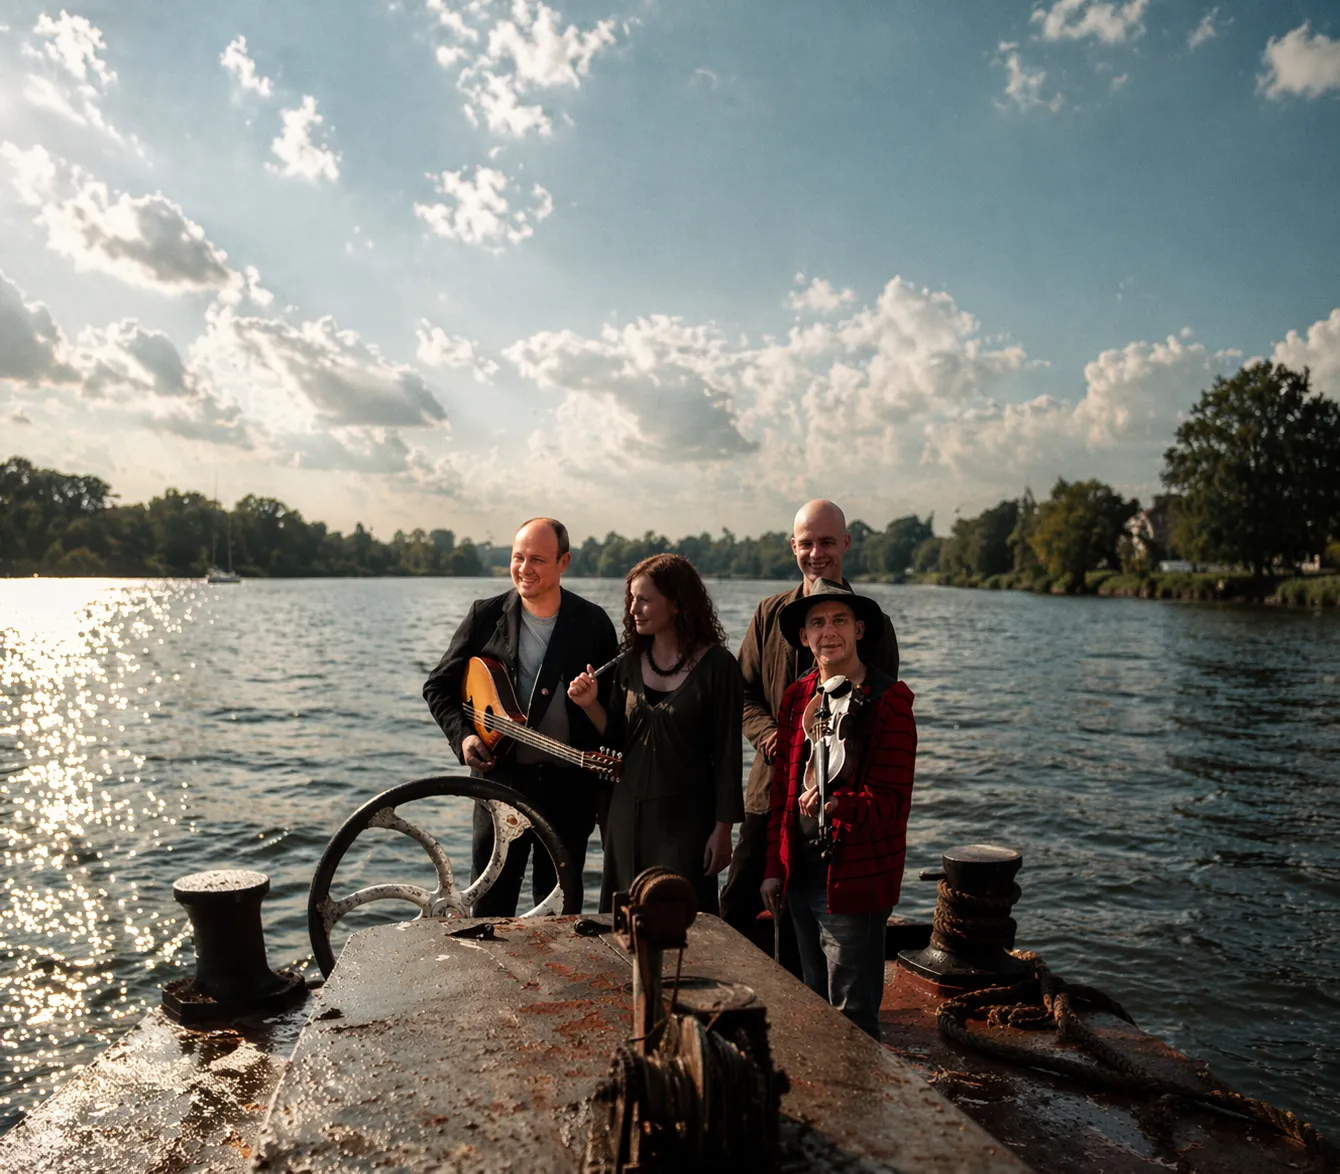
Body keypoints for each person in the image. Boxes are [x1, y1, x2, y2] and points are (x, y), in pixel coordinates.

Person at [720, 499, 900, 940]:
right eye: (806, 543)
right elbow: (740, 695)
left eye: (826, 542)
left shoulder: (872, 623)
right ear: (793, 547)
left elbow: (884, 711)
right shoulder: (768, 614)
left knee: (824, 918)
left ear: (846, 544)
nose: (816, 553)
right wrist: (772, 737)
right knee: (737, 904)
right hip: (770, 792)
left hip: (842, 803)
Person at [423, 517, 618, 916]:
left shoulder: (594, 623)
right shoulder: (484, 616)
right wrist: (464, 737)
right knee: (489, 913)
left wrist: (604, 796)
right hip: (499, 788)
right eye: (518, 557)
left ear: (564, 562)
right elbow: (438, 687)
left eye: (538, 560)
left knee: (559, 915)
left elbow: (614, 717)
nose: (524, 569)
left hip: (569, 793)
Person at [760, 578, 916, 1039]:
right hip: (800, 875)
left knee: (854, 1017)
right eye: (817, 623)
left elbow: (891, 804)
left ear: (860, 629)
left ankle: (862, 1102)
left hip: (853, 881)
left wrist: (838, 804)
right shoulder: (796, 697)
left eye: (839, 621)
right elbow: (782, 795)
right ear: (805, 637)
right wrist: (774, 867)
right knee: (813, 1001)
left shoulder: (891, 702)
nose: (829, 632)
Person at [568, 553, 743, 915]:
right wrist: (589, 704)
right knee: (622, 927)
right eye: (631, 598)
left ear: (677, 603)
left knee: (682, 927)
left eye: (645, 599)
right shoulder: (628, 661)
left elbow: (728, 754)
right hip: (625, 814)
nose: (634, 608)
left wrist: (723, 830)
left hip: (686, 822)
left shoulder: (718, 666)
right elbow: (617, 738)